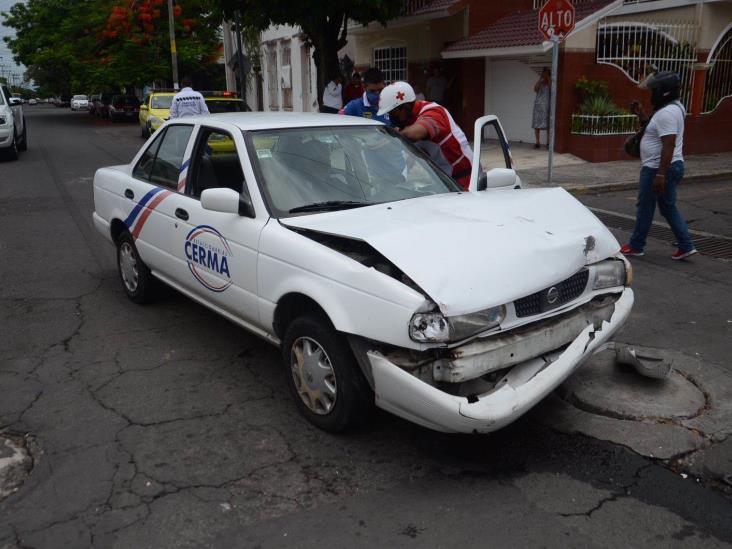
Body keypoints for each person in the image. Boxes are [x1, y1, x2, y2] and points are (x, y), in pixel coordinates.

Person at [620, 71, 696, 260]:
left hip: (658, 168)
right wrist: (642, 115)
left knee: (645, 206)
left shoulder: (667, 113)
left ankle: (636, 246)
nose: (651, 94)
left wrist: (660, 175)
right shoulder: (673, 107)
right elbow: (656, 132)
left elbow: (668, 145)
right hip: (668, 166)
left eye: (653, 90)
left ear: (663, 92)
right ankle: (686, 245)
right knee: (668, 207)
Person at [377, 81, 473, 191]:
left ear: (406, 107)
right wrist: (403, 175)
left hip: (467, 180)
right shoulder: (406, 123)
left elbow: (417, 132)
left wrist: (392, 136)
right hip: (445, 182)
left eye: (393, 113)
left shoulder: (433, 112)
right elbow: (413, 153)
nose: (392, 118)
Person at [532, 67, 550, 149]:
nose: (544, 75)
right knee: (537, 124)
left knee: (549, 124)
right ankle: (537, 142)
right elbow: (535, 89)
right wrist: (540, 79)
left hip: (547, 106)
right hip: (538, 106)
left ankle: (548, 143)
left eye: (545, 73)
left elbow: (551, 89)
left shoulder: (551, 82)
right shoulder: (541, 82)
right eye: (543, 73)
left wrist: (548, 79)